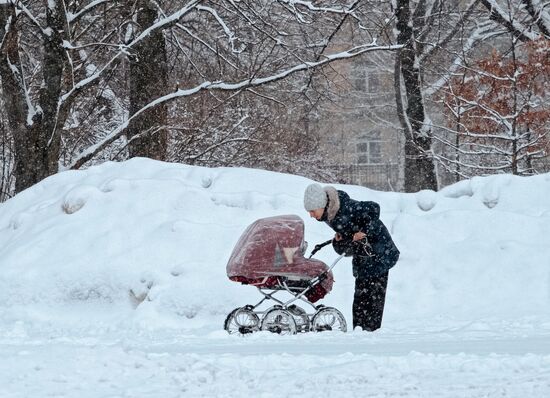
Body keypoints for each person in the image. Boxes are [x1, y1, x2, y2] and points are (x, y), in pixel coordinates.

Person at [303, 183, 399, 331]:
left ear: (321, 204)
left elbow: (374, 208)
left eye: (312, 210)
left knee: (374, 298)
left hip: (380, 253)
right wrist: (341, 239)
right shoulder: (330, 214)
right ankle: (359, 331)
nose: (311, 215)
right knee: (360, 297)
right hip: (363, 256)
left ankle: (371, 333)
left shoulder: (346, 207)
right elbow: (349, 235)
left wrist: (364, 231)